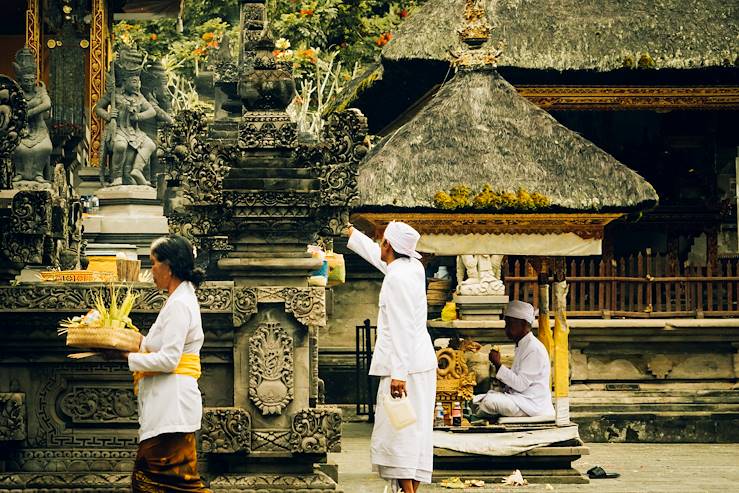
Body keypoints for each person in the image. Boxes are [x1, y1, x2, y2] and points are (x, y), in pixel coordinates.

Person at [111, 234, 211, 492]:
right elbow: (162, 347)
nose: (151, 269)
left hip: (172, 406)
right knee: (164, 482)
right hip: (169, 407)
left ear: (169, 266)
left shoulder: (180, 304)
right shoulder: (179, 299)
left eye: (153, 262)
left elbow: (168, 360)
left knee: (156, 481)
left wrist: (128, 357)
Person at [344, 221, 437, 493]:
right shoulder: (412, 268)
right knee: (415, 432)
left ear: (389, 245)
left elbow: (400, 327)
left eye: (381, 240)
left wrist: (398, 375)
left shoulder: (397, 278)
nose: (379, 244)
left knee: (400, 434)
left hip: (406, 368)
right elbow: (380, 260)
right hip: (420, 364)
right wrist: (352, 233)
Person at [472, 300, 555, 418]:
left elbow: (521, 385)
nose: (506, 328)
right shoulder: (522, 345)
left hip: (531, 405)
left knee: (489, 402)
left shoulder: (534, 348)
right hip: (520, 400)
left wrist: (498, 364)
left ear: (524, 324)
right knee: (477, 399)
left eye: (510, 323)